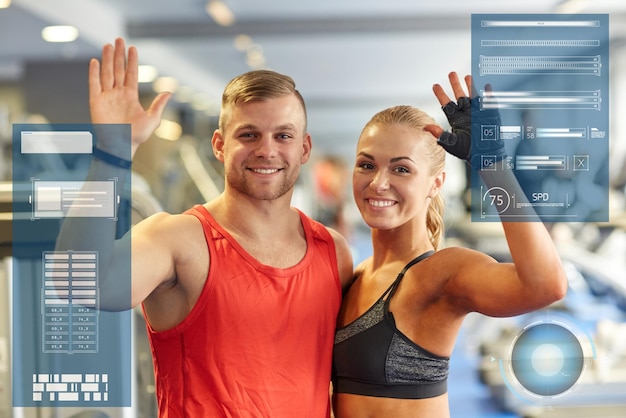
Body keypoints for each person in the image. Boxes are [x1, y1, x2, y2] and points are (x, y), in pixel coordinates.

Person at [56, 38, 354, 417]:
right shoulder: (179, 240)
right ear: (219, 145)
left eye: (283, 135)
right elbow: (79, 281)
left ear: (305, 148)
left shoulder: (332, 251)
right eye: (249, 135)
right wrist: (113, 154)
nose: (267, 150)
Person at [331, 72, 569, 418]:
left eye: (401, 170)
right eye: (367, 165)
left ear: (435, 183)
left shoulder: (440, 273)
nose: (378, 183)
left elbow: (546, 285)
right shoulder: (356, 274)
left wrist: (493, 166)